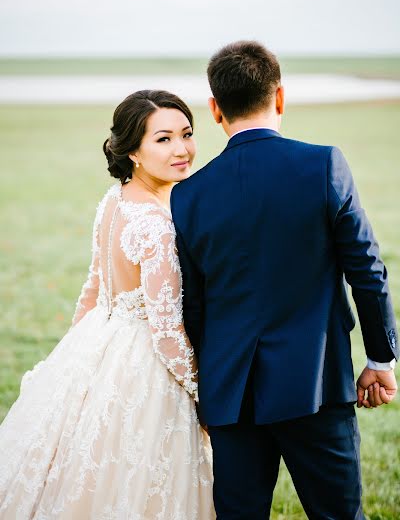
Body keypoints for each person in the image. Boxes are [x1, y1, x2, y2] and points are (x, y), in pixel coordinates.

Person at [170, 40, 399, 519]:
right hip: (315, 384)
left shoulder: (188, 195)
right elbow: (367, 270)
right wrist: (380, 357)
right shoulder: (323, 165)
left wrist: (210, 388)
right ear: (279, 97)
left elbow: (193, 306)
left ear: (215, 109)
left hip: (231, 394)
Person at [0, 90, 215, 519]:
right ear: (133, 150)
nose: (182, 149)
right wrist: (204, 398)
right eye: (164, 139)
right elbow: (167, 332)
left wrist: (74, 357)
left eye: (187, 134)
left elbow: (93, 290)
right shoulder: (154, 223)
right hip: (145, 366)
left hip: (102, 338)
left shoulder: (114, 200)